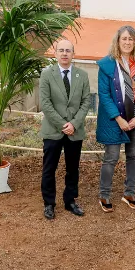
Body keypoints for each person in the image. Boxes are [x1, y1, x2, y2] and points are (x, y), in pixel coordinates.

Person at [96, 25, 135, 213]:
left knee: (133, 156)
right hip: (114, 120)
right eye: (124, 39)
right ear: (117, 41)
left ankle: (129, 193)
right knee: (111, 158)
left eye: (131, 39)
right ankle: (104, 195)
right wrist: (119, 118)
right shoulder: (107, 64)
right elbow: (104, 95)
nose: (127, 42)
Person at [39, 39, 93, 219]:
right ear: (55, 53)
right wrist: (63, 124)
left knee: (73, 168)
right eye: (61, 50)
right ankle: (49, 203)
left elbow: (86, 102)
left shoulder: (82, 75)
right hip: (53, 130)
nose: (64, 53)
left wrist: (74, 124)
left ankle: (70, 201)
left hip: (75, 131)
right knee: (49, 168)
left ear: (73, 53)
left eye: (68, 50)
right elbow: (45, 104)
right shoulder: (47, 74)